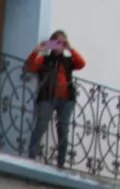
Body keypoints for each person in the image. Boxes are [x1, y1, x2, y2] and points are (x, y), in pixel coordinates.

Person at [25, 31, 86, 169]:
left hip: (67, 98)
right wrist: (36, 51)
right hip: (47, 96)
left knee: (63, 129)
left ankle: (61, 163)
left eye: (62, 42)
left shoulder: (68, 61)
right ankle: (31, 156)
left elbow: (82, 63)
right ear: (52, 43)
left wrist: (70, 48)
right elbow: (30, 66)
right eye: (57, 42)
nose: (60, 45)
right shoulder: (45, 59)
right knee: (41, 125)